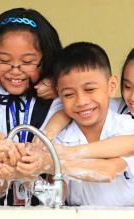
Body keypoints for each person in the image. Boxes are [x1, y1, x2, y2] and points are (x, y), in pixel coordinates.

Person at [0, 8, 67, 206]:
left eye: (27, 62)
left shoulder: (54, 96)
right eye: (3, 61)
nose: (15, 71)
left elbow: (65, 114)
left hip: (44, 205)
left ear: (46, 59)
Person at [28, 42, 134, 206]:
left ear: (111, 86)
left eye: (90, 90)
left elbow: (108, 171)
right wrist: (26, 175)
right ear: (59, 95)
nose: (81, 101)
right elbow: (54, 199)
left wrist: (55, 160)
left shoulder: (125, 126)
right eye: (69, 94)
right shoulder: (61, 138)